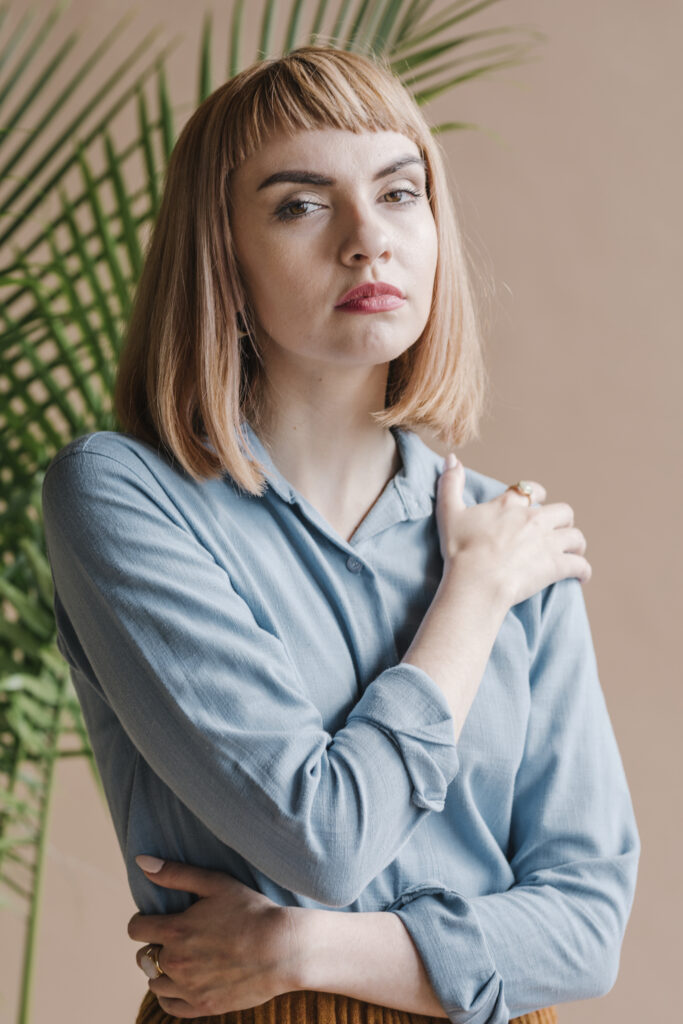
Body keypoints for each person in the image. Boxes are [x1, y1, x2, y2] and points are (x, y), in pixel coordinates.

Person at [40, 44, 640, 1024]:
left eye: (399, 193)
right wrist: (469, 597)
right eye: (299, 204)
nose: (368, 240)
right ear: (221, 256)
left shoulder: (508, 532)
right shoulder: (123, 494)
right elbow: (317, 836)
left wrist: (297, 946)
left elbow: (584, 928)